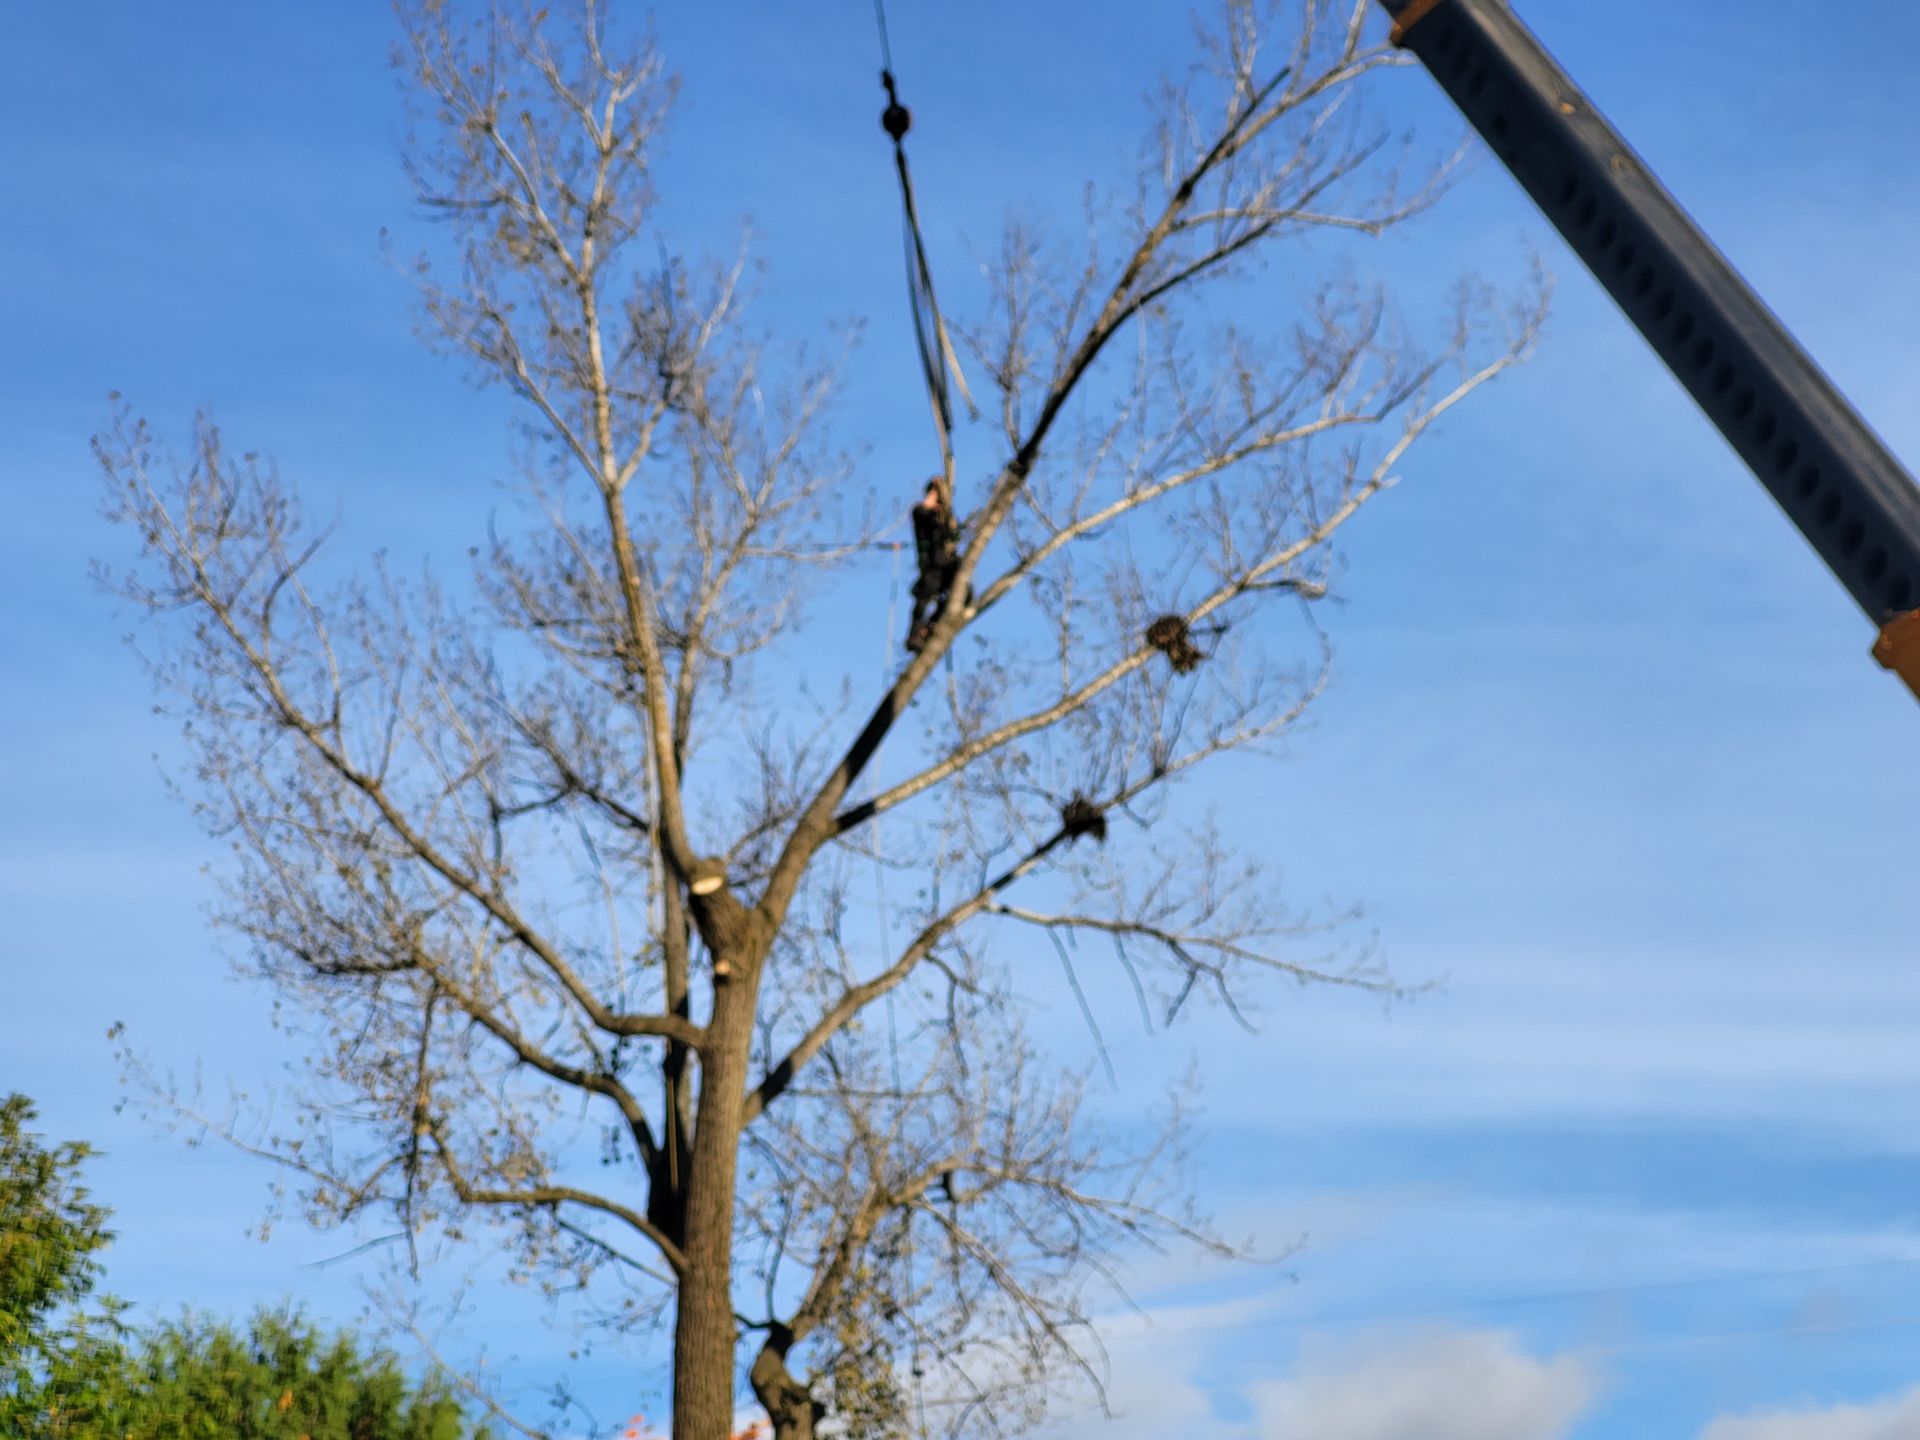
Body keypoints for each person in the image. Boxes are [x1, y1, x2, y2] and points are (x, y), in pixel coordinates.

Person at [906, 476, 959, 653]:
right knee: (925, 596)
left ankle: (930, 627)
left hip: (945, 563)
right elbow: (921, 513)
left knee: (960, 592)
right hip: (930, 563)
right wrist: (933, 495)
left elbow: (953, 535)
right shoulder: (921, 511)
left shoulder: (943, 516)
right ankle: (915, 635)